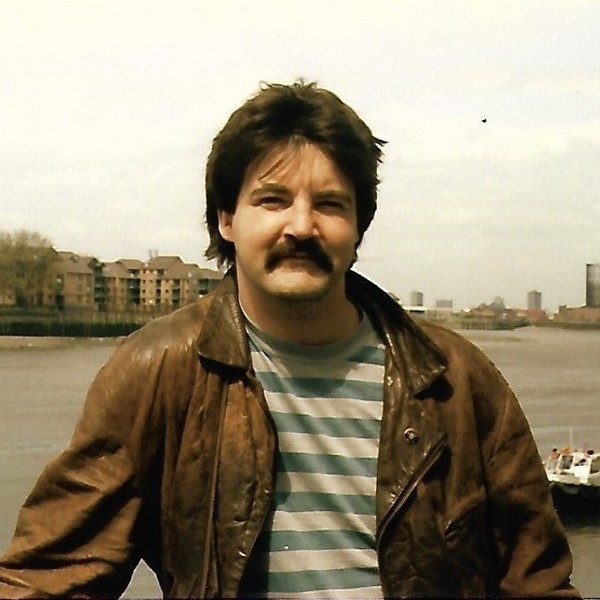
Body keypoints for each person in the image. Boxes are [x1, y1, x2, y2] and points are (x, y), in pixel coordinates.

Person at [0, 81, 579, 599]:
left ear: (357, 230)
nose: (301, 226)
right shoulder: (158, 371)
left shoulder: (456, 380)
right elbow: (47, 578)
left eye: (329, 204)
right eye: (272, 199)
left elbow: (538, 580)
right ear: (226, 219)